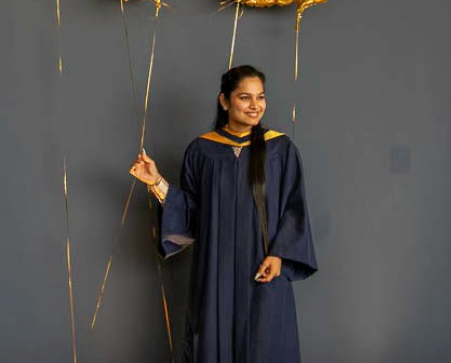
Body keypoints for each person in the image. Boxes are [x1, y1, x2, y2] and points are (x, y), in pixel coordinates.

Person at [130, 65, 317, 363]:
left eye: (261, 97)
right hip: (215, 274)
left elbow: (295, 209)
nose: (255, 106)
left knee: (266, 348)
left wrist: (279, 256)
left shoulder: (280, 149)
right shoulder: (202, 151)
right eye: (245, 97)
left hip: (264, 269)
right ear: (224, 101)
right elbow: (192, 216)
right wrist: (156, 182)